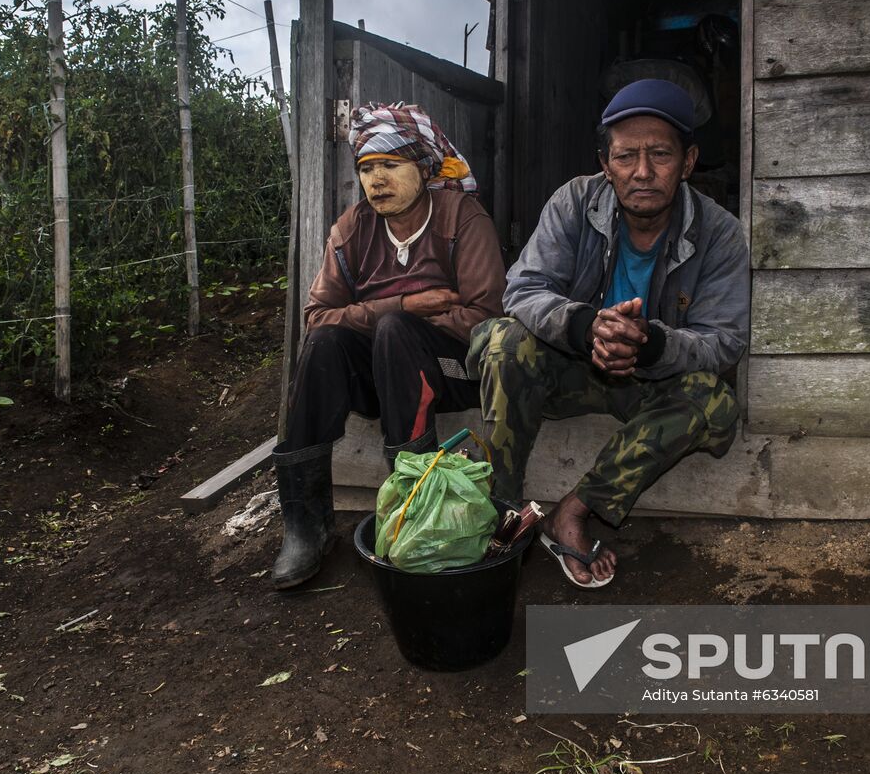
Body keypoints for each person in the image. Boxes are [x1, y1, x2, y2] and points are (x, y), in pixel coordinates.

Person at [469, 79, 749, 588]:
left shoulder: (721, 232)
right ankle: (501, 506)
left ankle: (573, 511)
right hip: (570, 369)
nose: (642, 172)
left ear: (688, 163)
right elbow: (524, 289)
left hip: (648, 384)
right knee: (503, 339)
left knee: (715, 402)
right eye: (626, 157)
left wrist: (651, 343)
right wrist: (584, 326)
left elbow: (724, 341)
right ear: (606, 163)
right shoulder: (574, 201)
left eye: (660, 154)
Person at [271, 102, 505, 589]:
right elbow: (317, 315)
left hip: (453, 373)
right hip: (380, 374)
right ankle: (305, 526)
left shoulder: (462, 217)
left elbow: (487, 316)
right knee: (323, 344)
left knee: (396, 333)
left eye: (390, 166)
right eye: (366, 169)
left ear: (422, 168)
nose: (376, 180)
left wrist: (404, 323)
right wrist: (402, 304)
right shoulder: (353, 228)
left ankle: (414, 501)